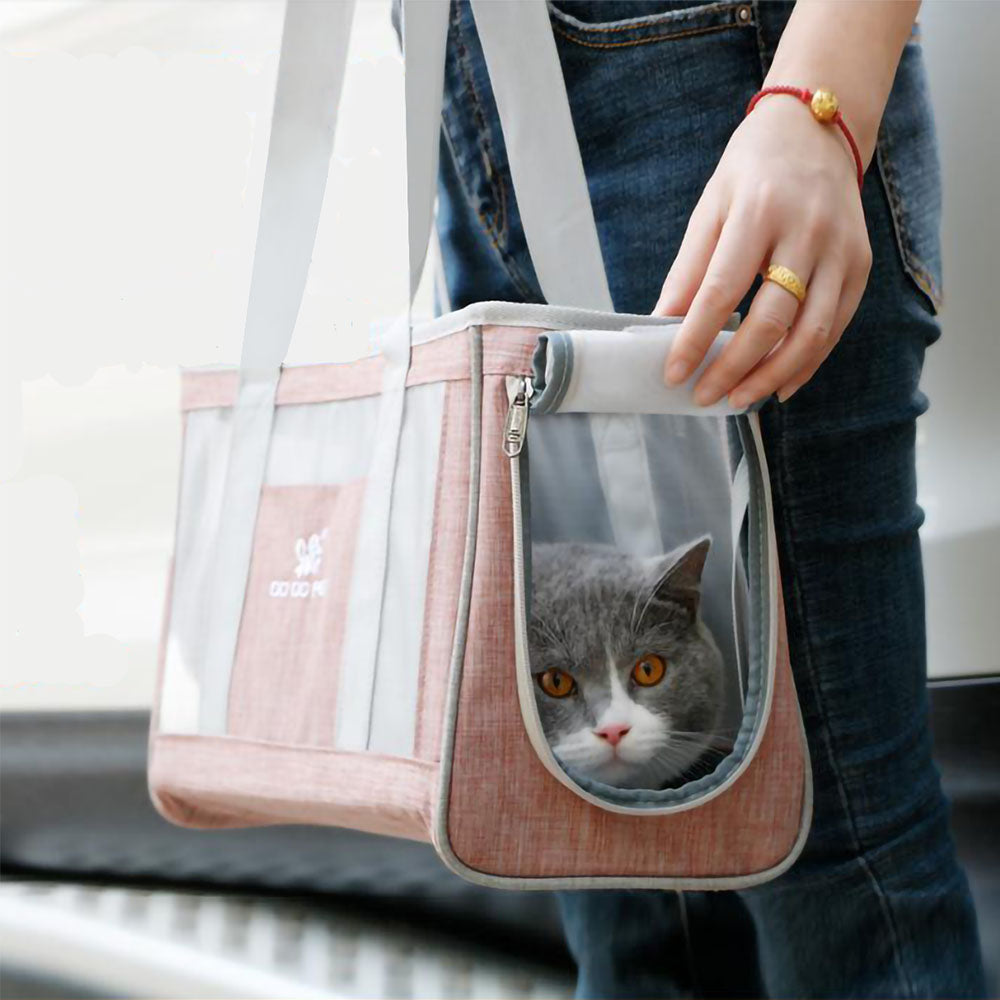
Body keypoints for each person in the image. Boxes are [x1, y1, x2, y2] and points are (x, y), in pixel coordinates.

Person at [431, 1, 986, 996]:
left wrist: (819, 97)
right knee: (618, 910)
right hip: (471, 85)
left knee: (838, 870)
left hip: (708, 79)